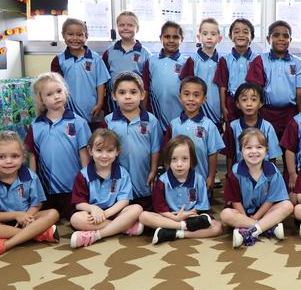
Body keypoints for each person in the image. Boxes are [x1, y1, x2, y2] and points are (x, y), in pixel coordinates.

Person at [0, 131, 60, 261]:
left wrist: (27, 217)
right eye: (1, 157)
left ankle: (5, 245)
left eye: (15, 156)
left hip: (28, 219)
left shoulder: (31, 177)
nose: (8, 161)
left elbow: (37, 204)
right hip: (1, 223)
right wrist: (16, 215)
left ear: (22, 158)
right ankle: (36, 234)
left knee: (53, 213)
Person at [26, 72, 91, 219]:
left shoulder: (78, 122)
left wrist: (86, 181)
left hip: (72, 186)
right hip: (46, 187)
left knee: (74, 218)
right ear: (41, 100)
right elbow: (32, 156)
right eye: (49, 94)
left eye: (59, 91)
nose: (56, 96)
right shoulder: (36, 125)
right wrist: (33, 182)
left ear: (65, 92)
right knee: (47, 217)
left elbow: (84, 154)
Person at [139, 135, 223, 244]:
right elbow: (160, 207)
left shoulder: (198, 179)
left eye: (184, 159)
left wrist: (189, 214)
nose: (179, 164)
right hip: (169, 218)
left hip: (193, 217)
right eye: (174, 159)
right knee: (143, 216)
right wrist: (177, 219)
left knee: (218, 227)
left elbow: (201, 205)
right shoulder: (162, 181)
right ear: (168, 161)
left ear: (192, 160)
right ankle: (181, 227)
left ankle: (176, 233)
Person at [69, 129, 144, 248]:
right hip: (92, 215)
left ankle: (96, 235)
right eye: (99, 150)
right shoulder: (83, 175)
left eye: (110, 150)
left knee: (137, 209)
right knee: (75, 219)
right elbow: (78, 203)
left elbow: (124, 201)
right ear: (90, 151)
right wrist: (93, 209)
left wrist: (105, 213)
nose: (104, 156)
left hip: (114, 212)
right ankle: (124, 227)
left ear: (117, 151)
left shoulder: (122, 173)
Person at [220, 129, 294, 248]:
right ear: (241, 151)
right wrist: (244, 218)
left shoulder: (272, 171)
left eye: (259, 147)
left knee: (288, 205)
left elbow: (271, 200)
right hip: (241, 213)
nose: (254, 151)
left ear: (266, 150)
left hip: (265, 213)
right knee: (225, 215)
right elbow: (236, 201)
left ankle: (249, 231)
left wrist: (256, 217)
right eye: (248, 148)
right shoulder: (235, 172)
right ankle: (268, 228)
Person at [104, 72, 162, 210]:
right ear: (114, 96)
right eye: (122, 92)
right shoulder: (109, 121)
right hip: (118, 174)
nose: (128, 96)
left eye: (133, 92)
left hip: (143, 174)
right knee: (120, 203)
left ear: (142, 95)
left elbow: (155, 148)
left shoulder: (151, 120)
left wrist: (153, 170)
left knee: (145, 207)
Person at [164, 77, 225, 193]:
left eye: (196, 95)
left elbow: (212, 153)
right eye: (186, 94)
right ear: (180, 97)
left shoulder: (209, 125)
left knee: (201, 207)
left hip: (201, 180)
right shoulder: (174, 125)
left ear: (204, 99)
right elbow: (167, 152)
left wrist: (211, 177)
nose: (191, 99)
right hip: (177, 180)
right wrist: (168, 173)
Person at [246, 20, 301, 138]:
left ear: (290, 40)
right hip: (265, 113)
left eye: (285, 36)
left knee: (289, 150)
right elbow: (255, 91)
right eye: (276, 35)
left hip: (290, 114)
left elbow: (300, 93)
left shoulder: (297, 63)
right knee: (265, 149)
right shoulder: (260, 60)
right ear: (268, 39)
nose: (281, 39)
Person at [51, 18, 110, 129]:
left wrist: (100, 104)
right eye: (70, 34)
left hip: (92, 111)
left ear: (86, 36)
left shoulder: (95, 58)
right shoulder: (59, 60)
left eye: (79, 35)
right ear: (63, 35)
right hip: (67, 111)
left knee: (92, 140)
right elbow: (55, 87)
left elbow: (101, 83)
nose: (75, 38)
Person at [222, 82, 282, 174]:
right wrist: (230, 174)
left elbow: (272, 156)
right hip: (240, 172)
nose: (249, 104)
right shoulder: (233, 126)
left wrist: (270, 174)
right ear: (237, 103)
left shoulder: (267, 127)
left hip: (263, 172)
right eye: (244, 100)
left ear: (261, 103)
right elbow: (229, 154)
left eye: (254, 99)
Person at [142, 21, 190, 131]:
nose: (171, 40)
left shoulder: (186, 62)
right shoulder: (151, 61)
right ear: (161, 38)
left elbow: (190, 89)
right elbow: (145, 89)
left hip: (179, 116)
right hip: (155, 115)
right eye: (167, 37)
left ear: (181, 39)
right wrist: (144, 112)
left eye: (175, 37)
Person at [102, 11, 152, 112]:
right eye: (122, 25)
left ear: (137, 28)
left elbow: (148, 81)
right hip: (114, 102)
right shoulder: (109, 52)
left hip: (135, 100)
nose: (125, 28)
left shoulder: (145, 53)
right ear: (117, 27)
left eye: (130, 25)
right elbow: (102, 79)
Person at [180, 18, 223, 129]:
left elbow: (223, 87)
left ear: (219, 38)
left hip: (216, 110)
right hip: (196, 108)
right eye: (205, 33)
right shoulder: (192, 60)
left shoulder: (222, 61)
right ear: (199, 37)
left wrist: (224, 108)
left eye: (213, 34)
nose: (209, 37)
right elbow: (184, 85)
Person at [214, 18, 258, 123]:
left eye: (245, 32)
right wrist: (223, 108)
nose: (241, 35)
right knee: (232, 132)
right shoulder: (225, 60)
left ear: (252, 37)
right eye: (236, 32)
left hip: (251, 102)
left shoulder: (257, 59)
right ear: (230, 36)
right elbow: (223, 87)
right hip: (231, 103)